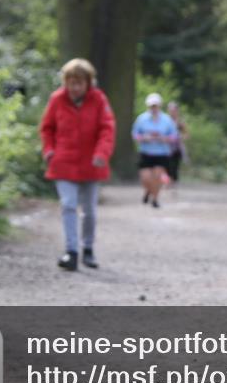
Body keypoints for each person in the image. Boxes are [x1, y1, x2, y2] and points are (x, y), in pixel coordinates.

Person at [39, 59, 115, 271]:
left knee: (89, 210)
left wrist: (102, 153)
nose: (74, 87)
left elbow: (107, 129)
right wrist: (49, 150)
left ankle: (87, 249)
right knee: (68, 205)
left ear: (88, 83)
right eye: (71, 82)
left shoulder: (99, 100)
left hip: (92, 164)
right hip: (63, 163)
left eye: (79, 83)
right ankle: (71, 252)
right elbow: (47, 128)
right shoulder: (57, 99)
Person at [132, 93, 178, 208]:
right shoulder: (141, 119)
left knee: (158, 177)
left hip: (162, 153)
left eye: (156, 105)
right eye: (152, 106)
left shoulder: (167, 120)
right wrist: (144, 138)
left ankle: (155, 199)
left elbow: (174, 136)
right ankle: (148, 191)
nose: (154, 108)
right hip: (146, 152)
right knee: (146, 178)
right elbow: (135, 134)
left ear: (159, 106)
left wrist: (165, 139)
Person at [165, 100, 188, 185]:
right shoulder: (164, 121)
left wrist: (181, 137)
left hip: (176, 147)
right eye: (170, 110)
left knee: (175, 166)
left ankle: (173, 182)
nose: (172, 112)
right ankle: (167, 182)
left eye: (174, 110)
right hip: (166, 147)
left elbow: (186, 134)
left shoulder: (180, 122)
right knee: (166, 165)